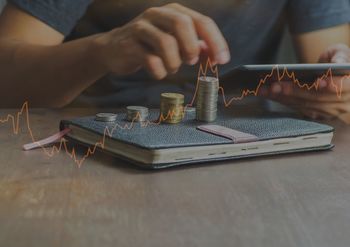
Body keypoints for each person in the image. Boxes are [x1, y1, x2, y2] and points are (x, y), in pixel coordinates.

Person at [0, 0, 349, 120]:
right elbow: (6, 77)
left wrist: (339, 89)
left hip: (242, 143)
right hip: (93, 138)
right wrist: (102, 50)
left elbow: (335, 60)